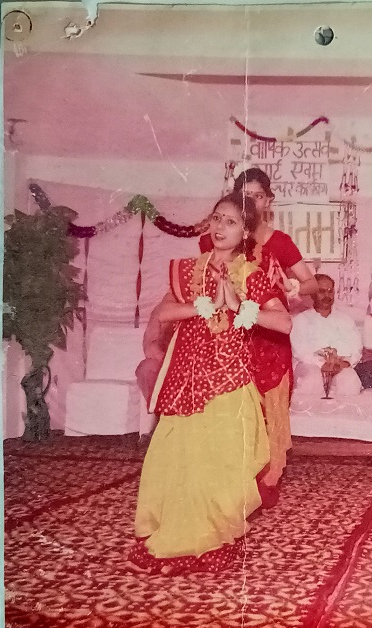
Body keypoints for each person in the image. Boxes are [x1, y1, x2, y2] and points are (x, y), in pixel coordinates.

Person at [131, 193, 293, 575]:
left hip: (228, 381)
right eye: (217, 218)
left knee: (219, 464)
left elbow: (284, 323)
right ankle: (176, 539)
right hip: (187, 379)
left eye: (231, 222)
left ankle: (209, 540)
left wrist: (238, 306)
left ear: (246, 232)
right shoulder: (189, 270)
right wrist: (201, 307)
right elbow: (162, 313)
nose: (220, 227)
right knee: (179, 459)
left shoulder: (251, 275)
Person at [200, 168, 318, 506]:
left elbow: (310, 284)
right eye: (244, 195)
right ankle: (234, 478)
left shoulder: (279, 242)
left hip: (269, 332)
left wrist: (291, 289)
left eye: (257, 196)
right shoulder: (216, 238)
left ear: (268, 202)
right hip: (230, 335)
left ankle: (268, 478)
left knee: (271, 407)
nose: (251, 201)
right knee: (231, 408)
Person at [291, 274, 363, 397]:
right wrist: (322, 364)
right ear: (312, 294)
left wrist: (345, 362)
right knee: (312, 380)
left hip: (340, 365)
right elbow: (300, 350)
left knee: (351, 382)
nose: (327, 296)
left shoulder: (345, 319)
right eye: (322, 291)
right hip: (310, 365)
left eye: (330, 291)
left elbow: (356, 347)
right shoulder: (301, 319)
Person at [134, 306, 174, 404]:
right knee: (146, 368)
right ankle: (158, 407)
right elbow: (150, 347)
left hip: (191, 367)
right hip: (166, 364)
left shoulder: (203, 307)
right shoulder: (165, 307)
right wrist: (168, 363)